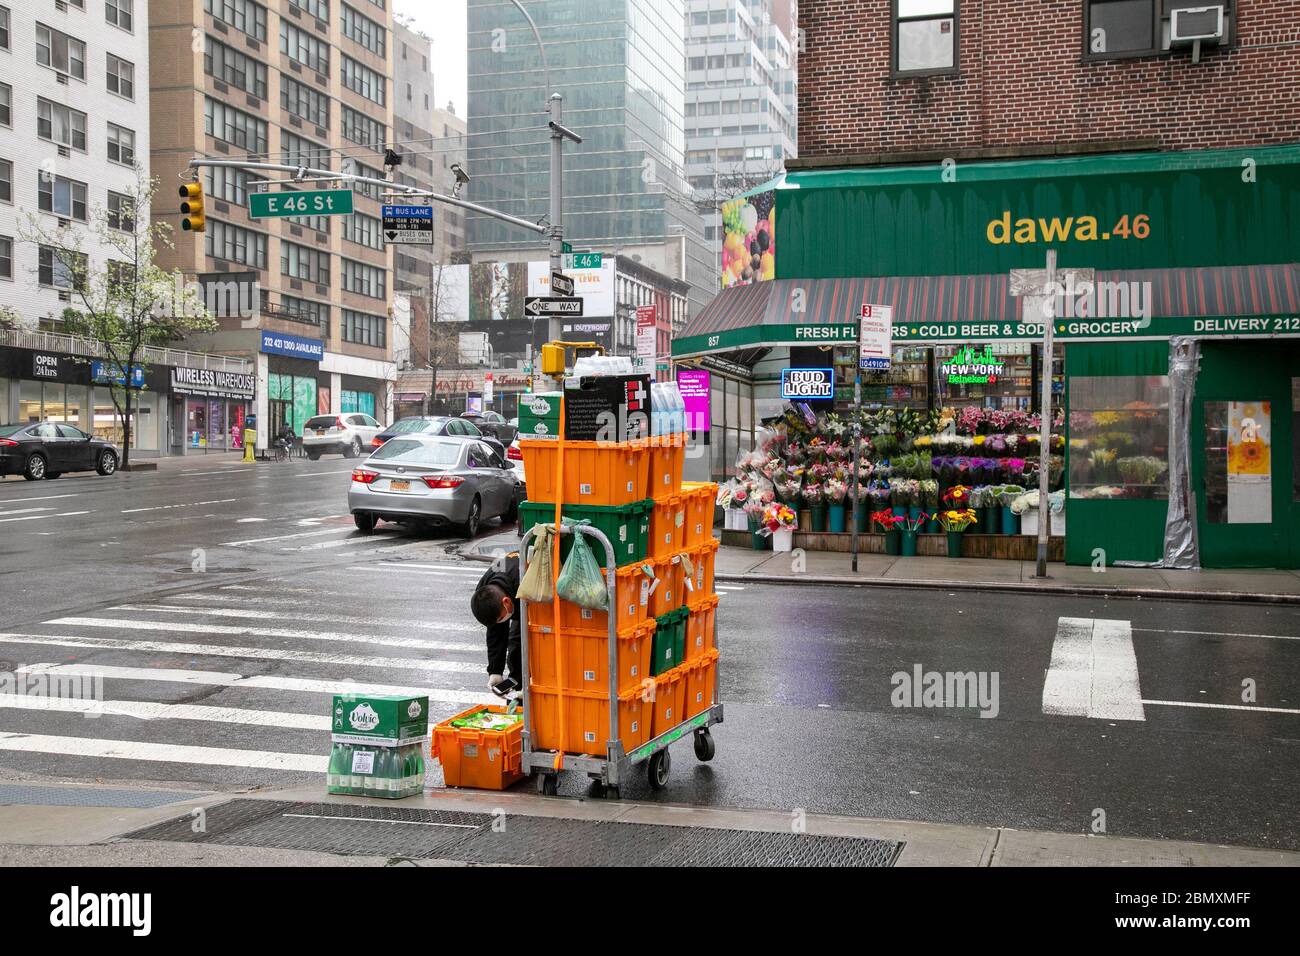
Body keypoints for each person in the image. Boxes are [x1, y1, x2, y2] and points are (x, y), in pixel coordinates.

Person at [470, 551, 522, 697]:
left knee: (521, 641)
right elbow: (495, 631)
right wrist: (495, 671)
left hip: (533, 594)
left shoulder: (523, 582)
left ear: (506, 602)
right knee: (515, 646)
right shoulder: (485, 591)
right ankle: (517, 692)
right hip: (513, 595)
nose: (500, 622)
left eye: (500, 618)